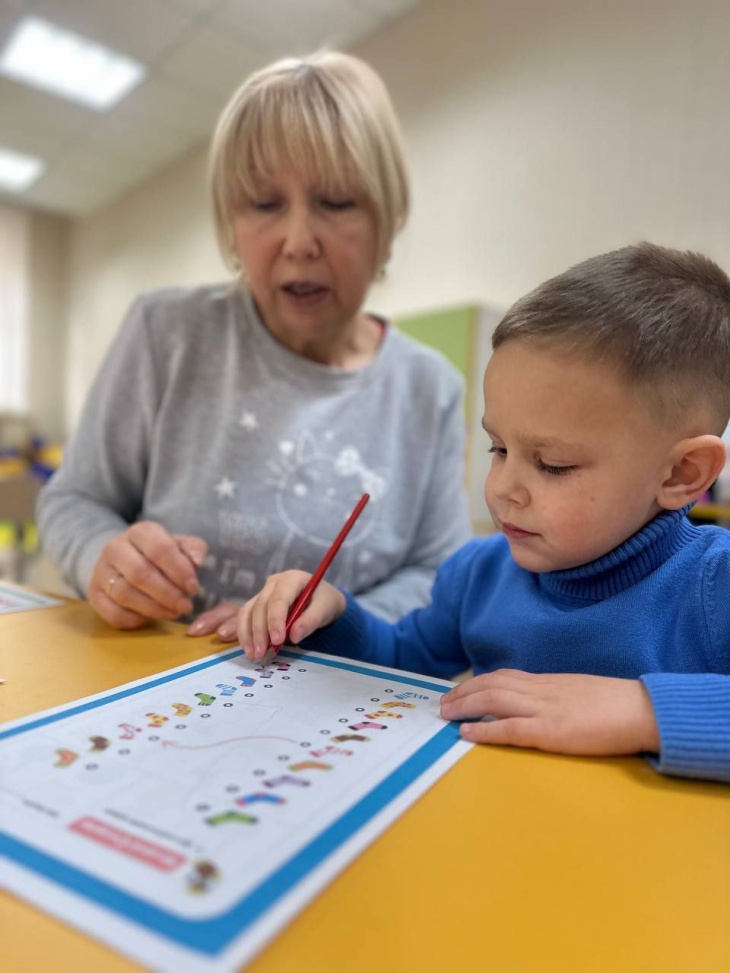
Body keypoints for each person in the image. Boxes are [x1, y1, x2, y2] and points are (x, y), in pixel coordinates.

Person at [237, 242, 730, 784]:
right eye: (498, 448)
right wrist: (332, 615)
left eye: (553, 464)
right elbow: (400, 660)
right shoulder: (479, 574)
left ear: (681, 473)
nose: (502, 489)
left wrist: (641, 711)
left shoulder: (714, 583)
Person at [36, 52, 470, 635]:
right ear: (230, 224)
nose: (299, 241)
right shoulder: (165, 333)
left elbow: (438, 573)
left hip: (336, 683)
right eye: (265, 204)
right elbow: (74, 499)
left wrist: (337, 616)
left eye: (337, 202)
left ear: (386, 219)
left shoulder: (430, 388)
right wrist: (104, 558)